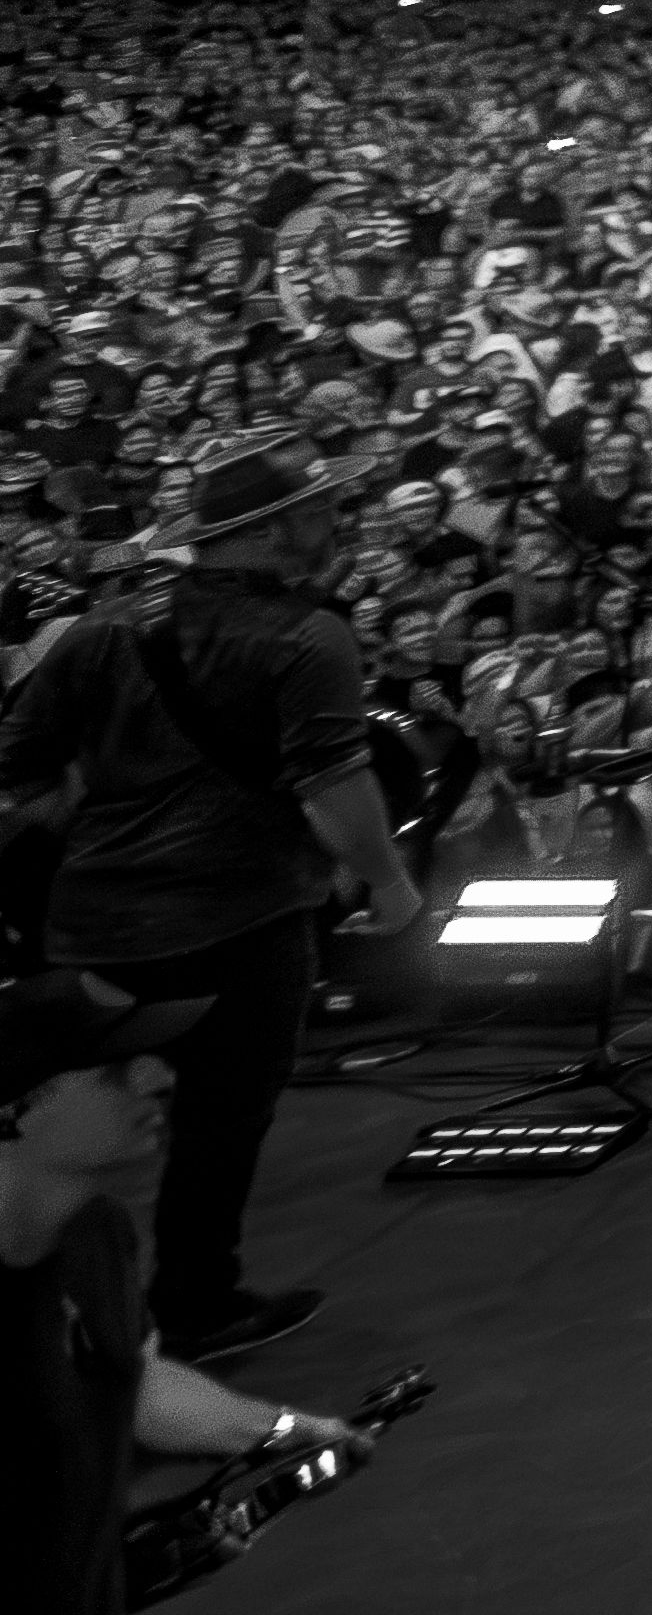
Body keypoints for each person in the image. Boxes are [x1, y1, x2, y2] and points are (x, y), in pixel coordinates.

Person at [0, 438, 426, 1361]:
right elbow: (335, 792)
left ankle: (46, 1306)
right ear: (273, 530)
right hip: (241, 921)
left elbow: (20, 773)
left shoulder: (105, 627)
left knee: (74, 1118)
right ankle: (195, 1304)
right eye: (321, 509)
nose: (337, 522)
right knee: (220, 1119)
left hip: (96, 922)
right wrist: (390, 885)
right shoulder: (310, 637)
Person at [1, 969, 376, 1615]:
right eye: (112, 1066)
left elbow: (130, 1379)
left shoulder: (98, 1234)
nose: (159, 1078)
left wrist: (280, 1432)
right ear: (15, 1109)